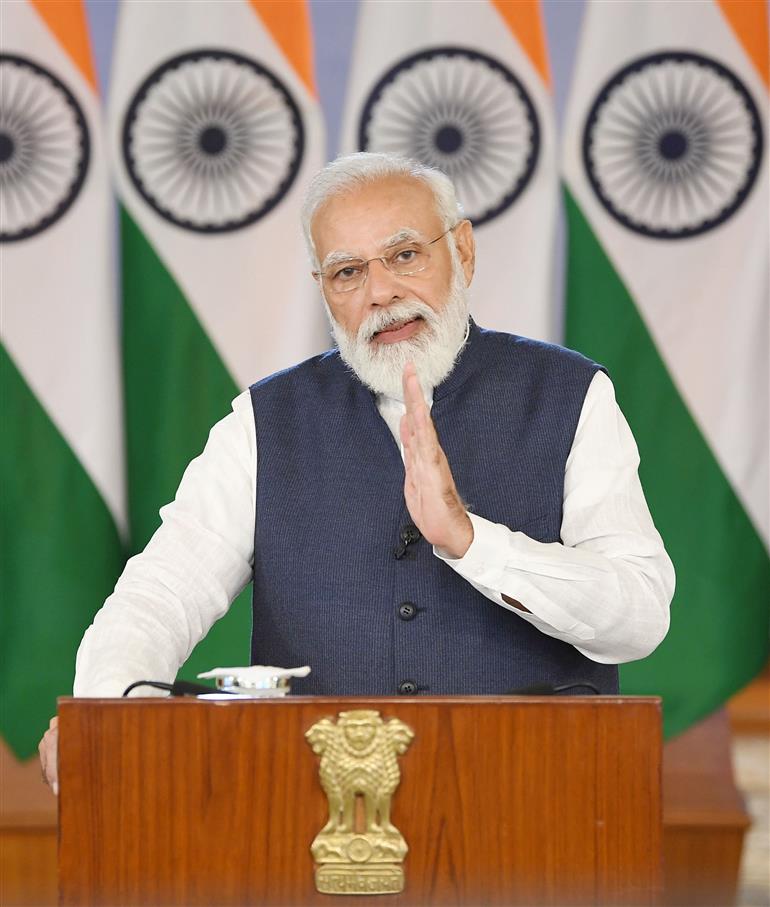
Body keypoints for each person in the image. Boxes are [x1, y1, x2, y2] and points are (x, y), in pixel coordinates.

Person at [39, 152, 675, 792]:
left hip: (529, 802)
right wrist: (105, 717)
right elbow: (161, 595)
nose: (381, 293)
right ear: (323, 288)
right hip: (311, 818)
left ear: (463, 251)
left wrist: (472, 542)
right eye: (348, 272)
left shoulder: (570, 395)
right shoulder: (265, 421)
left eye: (404, 257)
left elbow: (641, 616)